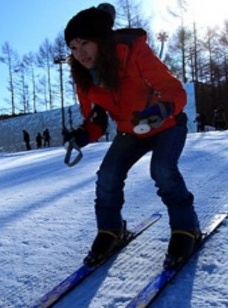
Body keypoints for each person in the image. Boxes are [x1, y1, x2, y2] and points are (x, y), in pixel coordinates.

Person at [63, 4, 200, 269]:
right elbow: (97, 120)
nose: (80, 53)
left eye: (84, 44)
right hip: (131, 131)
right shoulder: (84, 78)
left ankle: (186, 228)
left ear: (100, 41)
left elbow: (174, 90)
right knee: (108, 175)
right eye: (73, 47)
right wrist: (81, 136)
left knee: (162, 170)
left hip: (167, 124)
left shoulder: (133, 51)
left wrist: (161, 109)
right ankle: (110, 230)